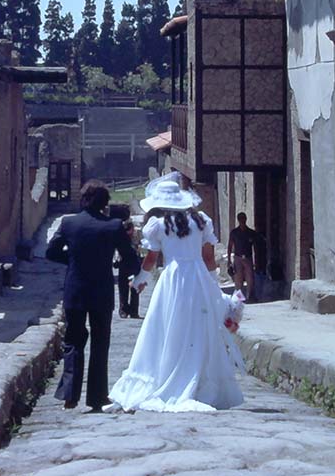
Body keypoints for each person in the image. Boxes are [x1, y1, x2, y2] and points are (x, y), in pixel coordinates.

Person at [108, 173, 244, 412]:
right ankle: (198, 381)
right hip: (198, 277)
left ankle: (166, 375)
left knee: (167, 325)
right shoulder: (201, 221)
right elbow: (209, 257)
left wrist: (140, 281)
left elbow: (151, 259)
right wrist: (213, 285)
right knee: (198, 328)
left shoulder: (159, 225)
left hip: (172, 277)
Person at [46, 180, 142, 411]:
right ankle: (97, 397)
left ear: (83, 199)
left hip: (75, 289)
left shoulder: (69, 223)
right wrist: (131, 272)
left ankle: (70, 395)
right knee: (100, 343)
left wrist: (73, 260)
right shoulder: (113, 226)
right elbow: (129, 256)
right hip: (102, 291)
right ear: (105, 203)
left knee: (73, 341)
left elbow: (51, 251)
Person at [227, 212, 268, 303]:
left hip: (248, 258)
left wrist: (256, 261)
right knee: (238, 279)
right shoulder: (234, 233)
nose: (242, 221)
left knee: (250, 278)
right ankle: (239, 299)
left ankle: (250, 297)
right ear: (238, 220)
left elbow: (256, 247)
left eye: (244, 218)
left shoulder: (251, 233)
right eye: (240, 219)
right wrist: (229, 260)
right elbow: (230, 246)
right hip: (238, 257)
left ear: (246, 219)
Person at [109, 203, 141, 319]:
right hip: (125, 260)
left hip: (133, 260)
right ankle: (126, 309)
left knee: (132, 286)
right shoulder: (120, 228)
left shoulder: (134, 230)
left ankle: (131, 310)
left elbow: (139, 244)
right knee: (124, 286)